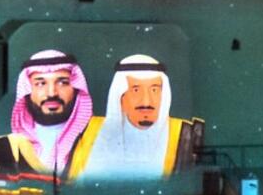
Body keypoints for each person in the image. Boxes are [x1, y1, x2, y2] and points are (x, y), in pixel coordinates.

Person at [69, 54, 203, 180]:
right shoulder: (88, 130)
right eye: (136, 90)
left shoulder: (186, 136)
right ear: (120, 97)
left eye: (154, 90)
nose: (146, 101)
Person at [0, 50, 93, 185]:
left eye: (62, 82)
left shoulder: (101, 136)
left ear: (76, 89)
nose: (51, 93)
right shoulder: (1, 147)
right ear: (27, 90)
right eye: (40, 83)